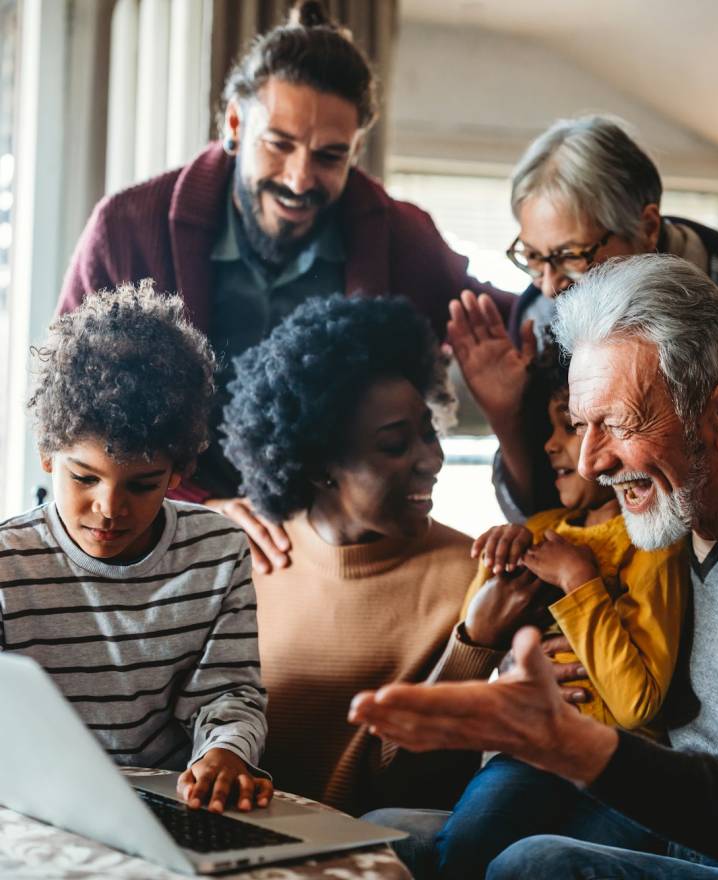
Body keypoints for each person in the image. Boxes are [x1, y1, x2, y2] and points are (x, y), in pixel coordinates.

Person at [352, 255, 718, 880]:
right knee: (379, 832)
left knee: (534, 866)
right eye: (581, 427)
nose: (593, 464)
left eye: (619, 425)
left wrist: (575, 746)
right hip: (672, 818)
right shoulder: (674, 503)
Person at [57, 0, 512, 574]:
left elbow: (506, 320)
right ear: (235, 124)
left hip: (326, 551)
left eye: (329, 156)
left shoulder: (400, 234)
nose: (300, 178)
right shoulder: (126, 227)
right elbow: (72, 417)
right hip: (160, 537)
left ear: (356, 150)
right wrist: (199, 514)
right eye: (279, 144)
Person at [220, 294, 552, 817]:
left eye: (429, 432)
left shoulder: (476, 578)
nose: (432, 460)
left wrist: (473, 647)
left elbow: (412, 802)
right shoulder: (246, 555)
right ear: (319, 465)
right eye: (396, 445)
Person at [449, 115, 718, 521]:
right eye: (533, 258)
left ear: (647, 227)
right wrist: (510, 418)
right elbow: (555, 498)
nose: (550, 285)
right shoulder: (541, 311)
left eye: (572, 256)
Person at [0, 283, 272, 815]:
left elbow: (228, 693)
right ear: (48, 455)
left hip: (164, 804)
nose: (109, 508)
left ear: (180, 471)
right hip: (30, 808)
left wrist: (223, 753)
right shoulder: (8, 563)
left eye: (142, 485)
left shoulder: (217, 552)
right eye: (85, 478)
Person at [432, 335, 688, 879]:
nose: (552, 444)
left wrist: (578, 579)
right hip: (531, 752)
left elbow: (638, 706)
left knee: (538, 865)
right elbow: (484, 644)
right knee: (466, 845)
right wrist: (495, 559)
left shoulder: (653, 542)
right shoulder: (539, 532)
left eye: (568, 426)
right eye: (554, 426)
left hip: (623, 765)